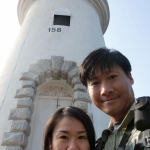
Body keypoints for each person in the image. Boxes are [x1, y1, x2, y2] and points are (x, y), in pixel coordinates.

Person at [79, 48, 149, 150]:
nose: (105, 90)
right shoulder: (100, 144)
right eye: (95, 83)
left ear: (130, 77)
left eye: (112, 77)